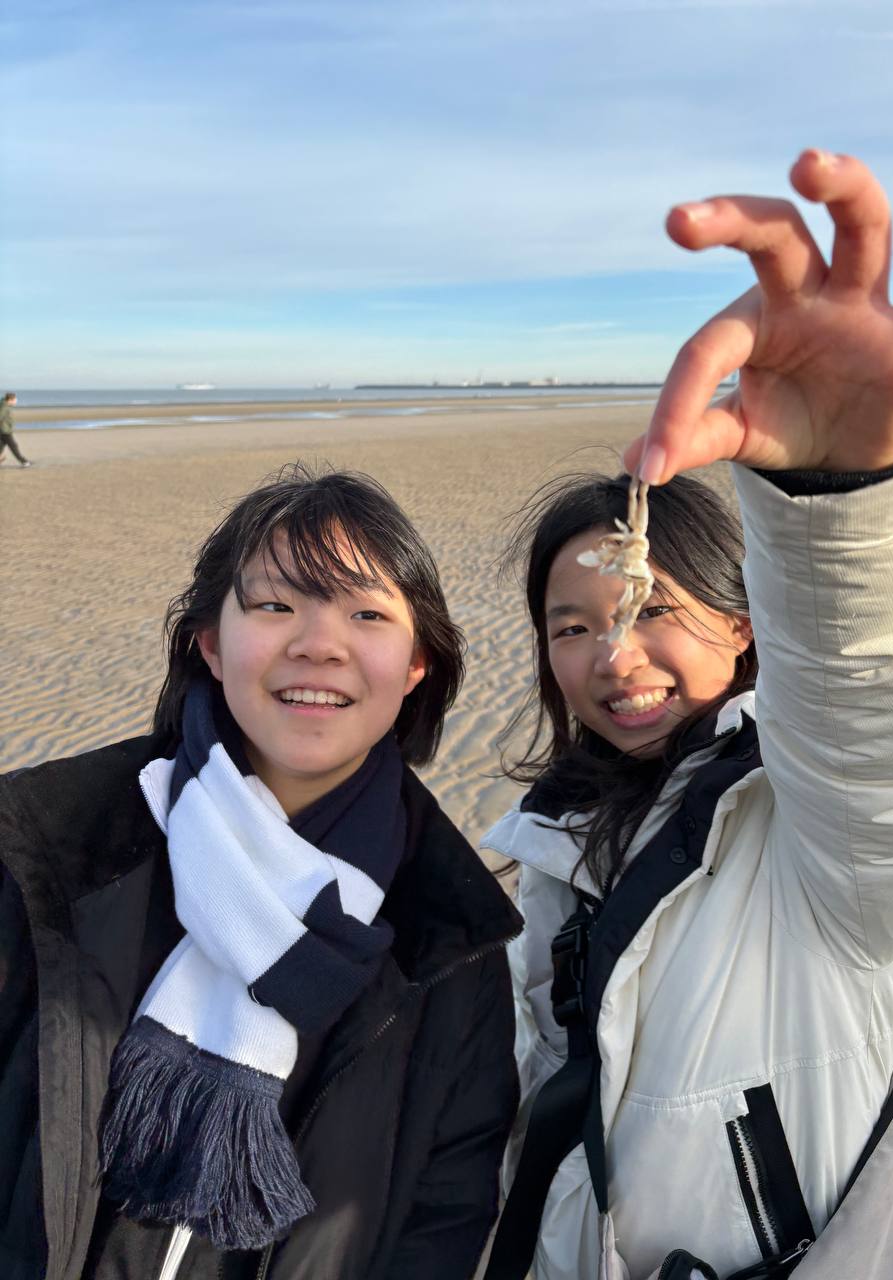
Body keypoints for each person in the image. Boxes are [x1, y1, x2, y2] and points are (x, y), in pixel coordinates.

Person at [481, 150, 893, 1280]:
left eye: (652, 609)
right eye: (571, 626)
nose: (614, 656)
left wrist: (844, 501)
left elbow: (873, 717)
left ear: (743, 625)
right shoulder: (546, 843)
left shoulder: (816, 829)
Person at [0, 465, 521, 1280]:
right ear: (210, 643)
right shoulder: (47, 845)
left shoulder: (452, 936)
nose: (319, 644)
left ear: (417, 663)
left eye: (367, 614)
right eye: (276, 606)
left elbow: (445, 1210)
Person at [0, 392, 32, 466]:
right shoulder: (4, 407)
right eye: (15, 399)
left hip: (4, 430)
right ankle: (24, 462)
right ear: (10, 400)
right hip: (5, 430)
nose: (16, 401)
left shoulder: (5, 405)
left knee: (1, 446)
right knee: (14, 446)